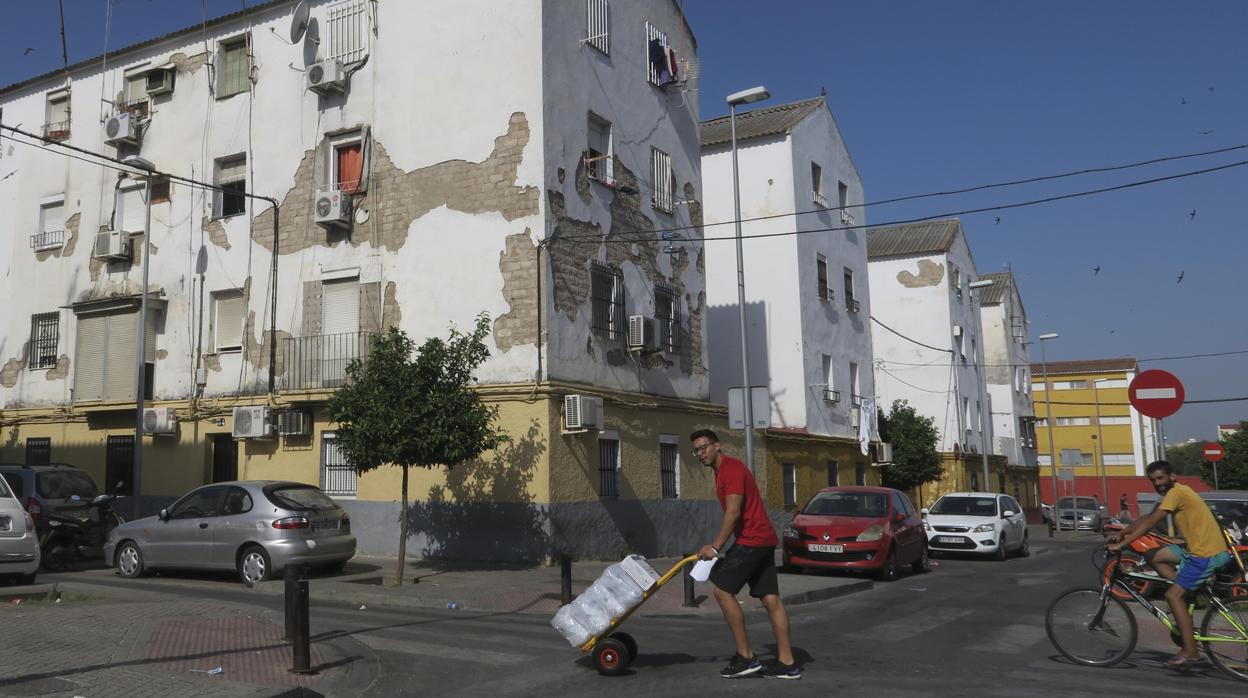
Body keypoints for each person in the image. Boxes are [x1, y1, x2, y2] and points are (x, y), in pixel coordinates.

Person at [691, 429, 800, 680]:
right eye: (696, 450)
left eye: (704, 447)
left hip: (753, 539)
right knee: (771, 599)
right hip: (762, 539)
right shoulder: (723, 472)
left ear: (717, 446)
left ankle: (746, 657)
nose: (700, 453)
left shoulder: (731, 469)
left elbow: (733, 512)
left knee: (721, 590)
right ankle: (787, 663)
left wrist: (716, 547)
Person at [1108, 461, 1231, 670]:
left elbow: (1151, 522)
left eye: (1160, 478)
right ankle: (1184, 590)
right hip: (1192, 550)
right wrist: (1123, 531)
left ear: (1172, 476)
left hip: (1205, 555)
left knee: (1172, 596)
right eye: (1153, 480)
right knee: (1152, 555)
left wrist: (1122, 544)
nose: (1157, 483)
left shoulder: (1177, 493)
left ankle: (1191, 652)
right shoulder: (1174, 493)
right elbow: (1147, 517)